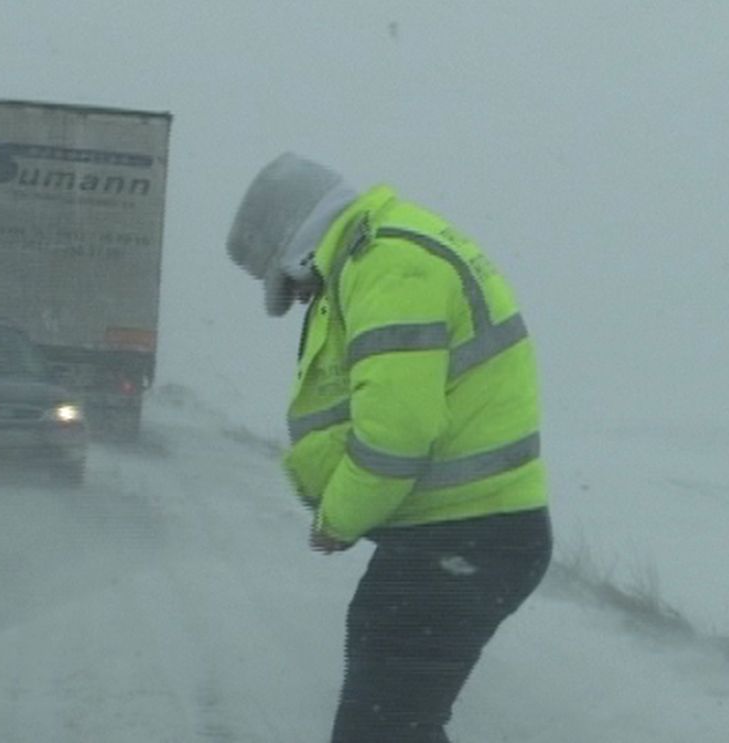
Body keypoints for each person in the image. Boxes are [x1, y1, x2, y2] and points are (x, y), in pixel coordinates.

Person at [225, 153, 553, 742]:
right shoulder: (377, 256)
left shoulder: (391, 264)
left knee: (382, 730)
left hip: (469, 539)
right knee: (393, 725)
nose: (299, 297)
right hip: (452, 539)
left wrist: (338, 519)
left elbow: (397, 433)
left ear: (300, 244)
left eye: (292, 281)